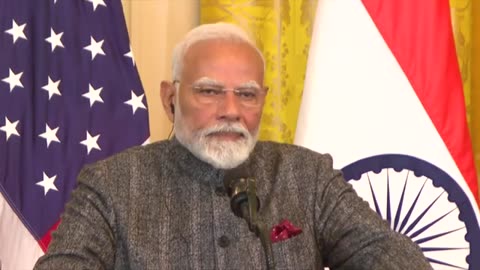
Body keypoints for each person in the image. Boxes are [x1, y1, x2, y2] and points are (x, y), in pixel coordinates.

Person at [35, 22, 432, 269]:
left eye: (246, 94)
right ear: (170, 99)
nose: (231, 110)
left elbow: (391, 257)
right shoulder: (112, 185)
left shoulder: (307, 176)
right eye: (209, 91)